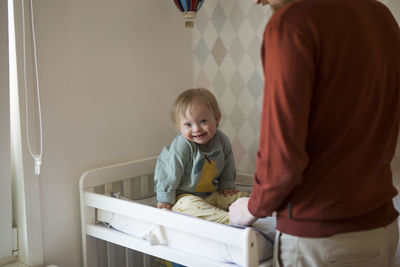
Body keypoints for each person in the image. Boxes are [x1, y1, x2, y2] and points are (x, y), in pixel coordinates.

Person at [228, 0, 400, 266]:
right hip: (381, 230)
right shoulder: (380, 15)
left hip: (320, 239)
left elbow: (281, 158)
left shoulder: (292, 23)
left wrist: (253, 207)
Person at [154, 88, 248, 224]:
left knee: (239, 197)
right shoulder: (183, 145)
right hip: (183, 196)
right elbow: (170, 173)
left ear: (216, 118)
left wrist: (227, 186)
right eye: (188, 124)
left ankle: (257, 210)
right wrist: (165, 199)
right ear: (179, 127)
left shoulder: (222, 141)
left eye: (203, 121)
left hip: (211, 194)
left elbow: (228, 164)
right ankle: (229, 219)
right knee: (189, 206)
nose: (196, 129)